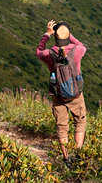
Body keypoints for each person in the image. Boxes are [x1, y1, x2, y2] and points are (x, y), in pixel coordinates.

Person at [36, 20, 87, 167]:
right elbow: (81, 45)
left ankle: (66, 159)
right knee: (80, 122)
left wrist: (47, 34)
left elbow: (38, 51)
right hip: (76, 95)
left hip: (58, 96)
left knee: (62, 126)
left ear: (56, 38)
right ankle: (78, 155)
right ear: (68, 36)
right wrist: (69, 35)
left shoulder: (49, 54)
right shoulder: (77, 51)